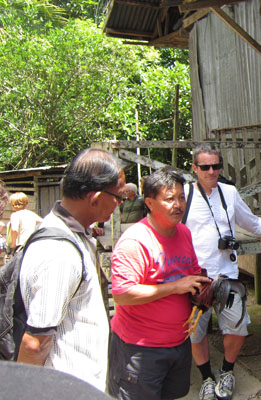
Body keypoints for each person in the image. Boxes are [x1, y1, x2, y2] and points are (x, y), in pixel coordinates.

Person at [17, 148, 125, 391]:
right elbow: (36, 343)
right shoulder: (59, 252)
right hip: (65, 387)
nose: (119, 204)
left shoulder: (76, 234)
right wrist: (19, 391)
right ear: (95, 198)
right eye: (118, 197)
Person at [108, 167, 211, 400]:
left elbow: (191, 274)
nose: (178, 205)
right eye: (169, 199)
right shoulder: (135, 241)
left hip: (179, 342)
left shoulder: (183, 232)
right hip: (140, 348)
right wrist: (175, 286)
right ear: (150, 203)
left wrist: (206, 291)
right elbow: (123, 294)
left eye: (181, 197)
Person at [184, 145, 261, 400]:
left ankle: (227, 370)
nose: (211, 171)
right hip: (196, 277)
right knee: (196, 331)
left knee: (237, 326)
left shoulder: (228, 192)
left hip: (227, 275)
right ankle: (206, 377)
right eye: (205, 167)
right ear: (195, 168)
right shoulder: (185, 194)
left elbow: (250, 221)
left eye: (216, 166)